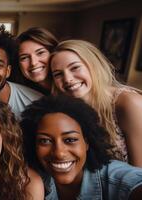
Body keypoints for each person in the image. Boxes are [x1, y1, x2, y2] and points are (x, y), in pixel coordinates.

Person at [21, 95, 142, 200]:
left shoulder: (118, 179)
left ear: (87, 142)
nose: (59, 153)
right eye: (45, 141)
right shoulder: (29, 179)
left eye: (70, 140)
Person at [50, 39, 142, 167]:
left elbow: (139, 174)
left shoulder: (129, 103)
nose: (68, 79)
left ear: (93, 65)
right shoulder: (69, 109)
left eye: (75, 67)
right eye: (58, 74)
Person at [13, 27, 58, 95]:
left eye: (40, 53)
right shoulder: (17, 94)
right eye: (24, 57)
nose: (33, 63)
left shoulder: (72, 89)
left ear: (53, 53)